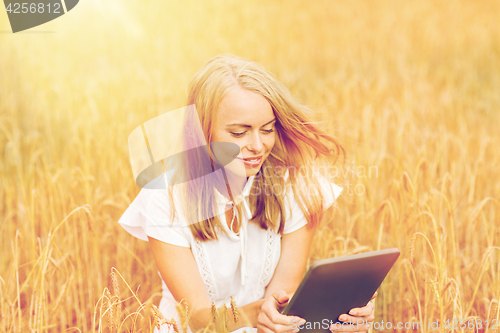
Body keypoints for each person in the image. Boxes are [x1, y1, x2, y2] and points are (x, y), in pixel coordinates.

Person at [118, 54, 376, 333]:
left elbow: (282, 305)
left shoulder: (295, 185)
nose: (257, 145)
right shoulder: (163, 197)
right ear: (202, 132)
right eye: (239, 133)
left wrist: (336, 315)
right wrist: (259, 313)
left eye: (267, 129)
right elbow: (197, 318)